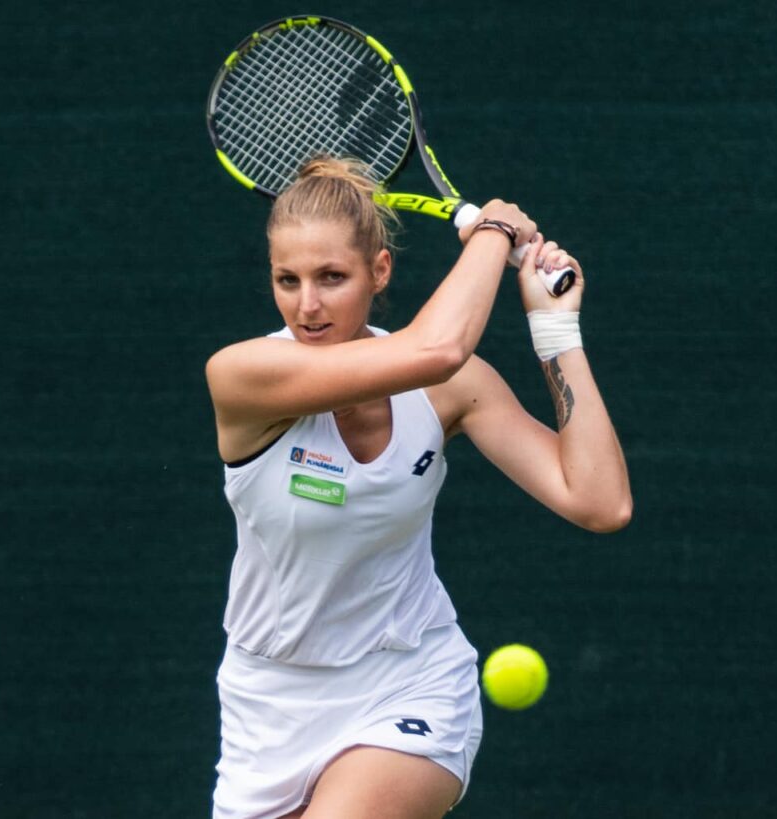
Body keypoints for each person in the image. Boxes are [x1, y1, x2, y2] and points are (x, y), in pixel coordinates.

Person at [205, 155, 632, 819]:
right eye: (287, 280)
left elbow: (600, 501)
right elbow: (435, 347)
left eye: (331, 277)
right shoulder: (243, 375)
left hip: (409, 679)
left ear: (379, 271)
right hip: (266, 705)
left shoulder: (448, 390)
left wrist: (555, 330)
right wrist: (494, 230)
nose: (307, 305)